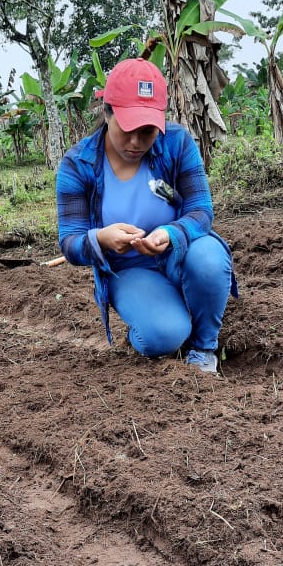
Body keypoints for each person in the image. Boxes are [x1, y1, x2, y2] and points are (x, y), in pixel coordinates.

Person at [56, 58, 237, 374]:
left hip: (178, 255)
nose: (136, 142)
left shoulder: (177, 143)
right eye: (127, 130)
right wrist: (101, 239)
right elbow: (69, 241)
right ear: (107, 113)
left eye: (148, 131)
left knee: (209, 260)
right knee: (163, 335)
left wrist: (170, 234)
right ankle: (159, 317)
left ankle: (203, 347)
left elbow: (201, 210)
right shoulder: (78, 164)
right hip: (129, 269)